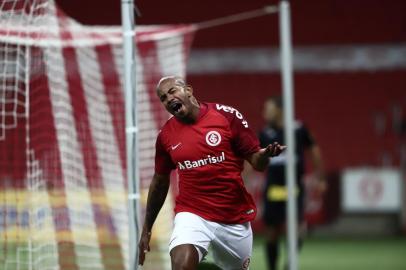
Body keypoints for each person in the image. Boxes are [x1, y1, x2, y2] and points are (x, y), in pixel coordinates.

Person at [138, 76, 286, 270]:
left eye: (172, 91)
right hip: (192, 214)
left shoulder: (227, 116)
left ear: (188, 90)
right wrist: (147, 227)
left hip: (233, 217)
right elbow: (160, 181)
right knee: (182, 264)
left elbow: (257, 162)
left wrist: (266, 154)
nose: (169, 99)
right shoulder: (166, 136)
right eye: (163, 98)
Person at [259, 96, 326, 270]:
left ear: (280, 110)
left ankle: (290, 264)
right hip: (274, 189)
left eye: (269, 109)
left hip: (294, 188)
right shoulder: (265, 133)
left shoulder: (298, 129)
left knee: (297, 229)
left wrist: (320, 177)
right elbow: (253, 157)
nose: (265, 113)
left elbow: (314, 150)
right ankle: (272, 267)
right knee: (272, 233)